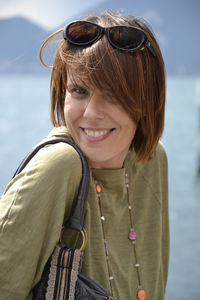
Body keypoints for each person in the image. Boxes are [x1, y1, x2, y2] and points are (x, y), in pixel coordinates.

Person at [0, 11, 169, 300]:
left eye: (113, 94)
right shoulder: (58, 166)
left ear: (145, 101)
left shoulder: (150, 159)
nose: (90, 113)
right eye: (78, 91)